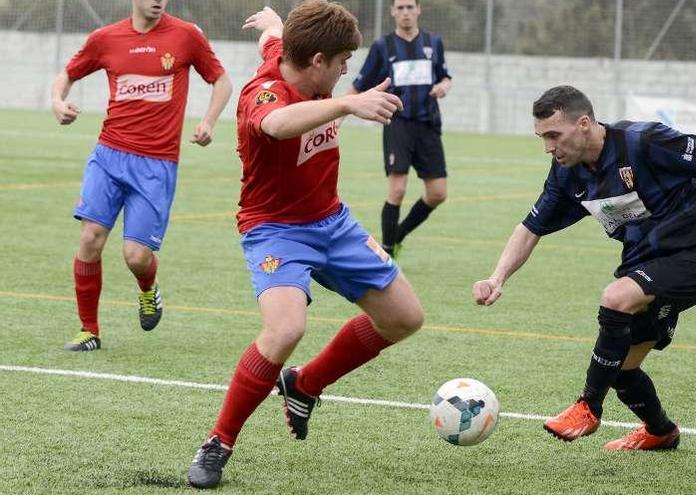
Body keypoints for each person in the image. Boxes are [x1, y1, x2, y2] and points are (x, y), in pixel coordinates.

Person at [472, 86, 696, 451]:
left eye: (555, 135)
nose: (549, 147)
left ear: (584, 124)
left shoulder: (642, 141)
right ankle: (661, 431)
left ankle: (588, 406)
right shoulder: (566, 174)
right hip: (642, 265)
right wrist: (497, 277)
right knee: (622, 368)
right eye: (542, 138)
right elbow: (531, 227)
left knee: (616, 296)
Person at [186, 2, 424, 489]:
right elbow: (276, 124)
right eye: (341, 64)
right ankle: (218, 443)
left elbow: (273, 36)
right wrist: (347, 104)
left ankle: (305, 383)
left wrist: (276, 22)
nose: (344, 73)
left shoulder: (289, 51)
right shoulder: (263, 93)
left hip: (332, 222)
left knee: (405, 317)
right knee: (285, 328)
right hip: (274, 229)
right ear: (316, 60)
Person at [53, 0, 232, 352]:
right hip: (108, 155)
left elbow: (221, 81)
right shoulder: (106, 38)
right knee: (90, 238)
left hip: (156, 164)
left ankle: (148, 290)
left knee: (136, 256)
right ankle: (89, 330)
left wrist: (208, 121)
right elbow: (68, 74)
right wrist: (58, 101)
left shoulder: (186, 36)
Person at [350, 0, 452, 257]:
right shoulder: (383, 47)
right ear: (393, 12)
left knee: (438, 193)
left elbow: (445, 76)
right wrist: (334, 115)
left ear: (418, 10)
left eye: (410, 7)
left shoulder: (433, 43)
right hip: (398, 124)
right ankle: (386, 251)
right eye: (401, 7)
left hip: (428, 124)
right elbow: (359, 84)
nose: (405, 12)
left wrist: (444, 86)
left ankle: (398, 235)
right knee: (397, 189)